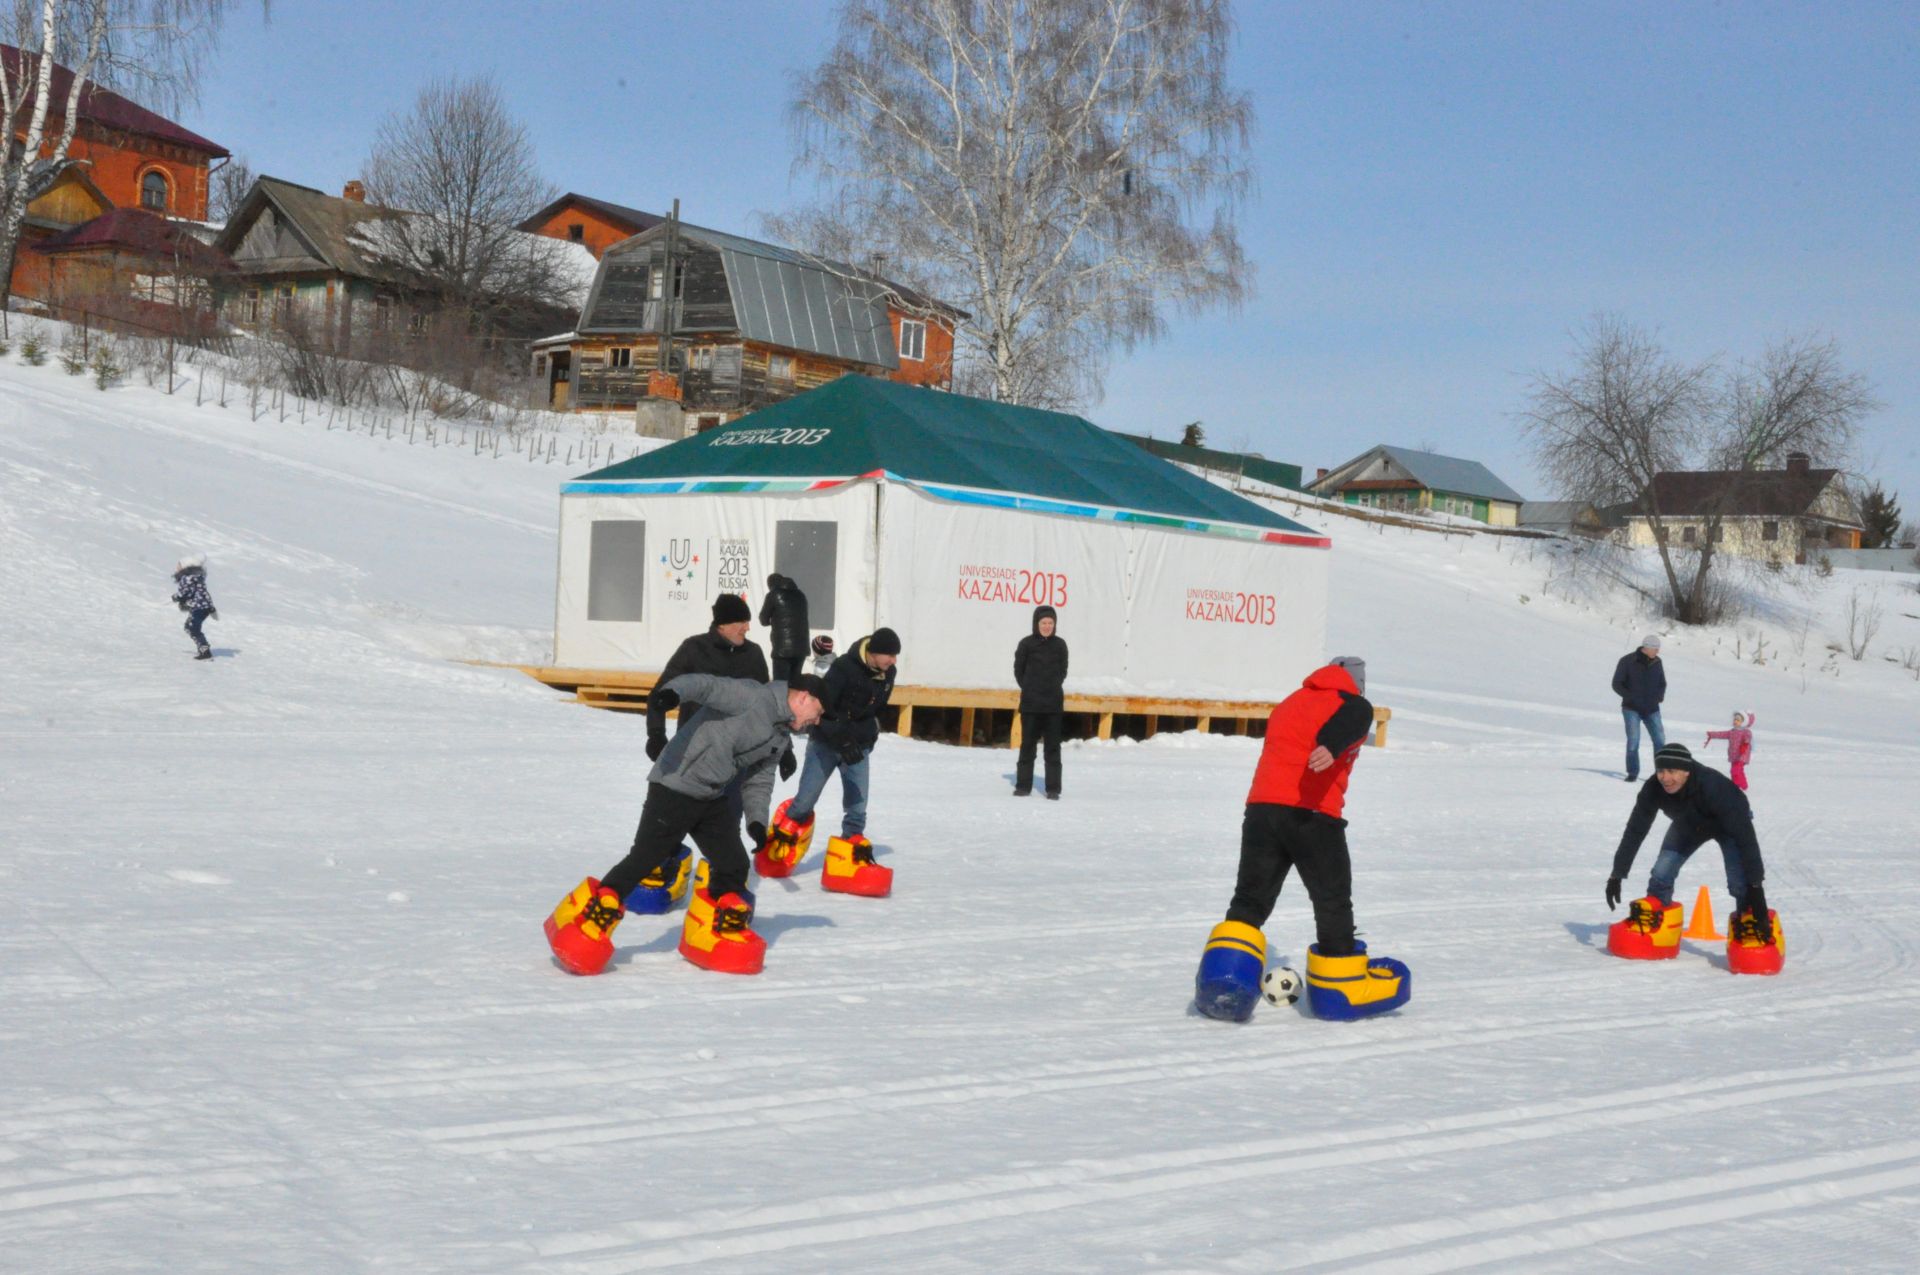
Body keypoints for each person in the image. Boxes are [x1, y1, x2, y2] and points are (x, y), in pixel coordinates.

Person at [544, 672, 829, 976]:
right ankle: (592, 914)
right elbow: (704, 685)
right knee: (647, 856)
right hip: (675, 783)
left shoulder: (780, 737)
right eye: (819, 713)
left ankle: (714, 929)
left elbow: (760, 780)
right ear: (804, 698)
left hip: (711, 796)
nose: (818, 721)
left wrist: (757, 821)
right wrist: (672, 695)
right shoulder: (750, 696)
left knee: (733, 864)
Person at [1194, 656, 1410, 1022]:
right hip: (1313, 815)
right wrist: (1330, 744)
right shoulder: (1353, 703)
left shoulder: (1291, 701)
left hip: (1261, 811)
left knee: (1250, 897)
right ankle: (1339, 989)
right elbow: (1354, 719)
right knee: (1332, 899)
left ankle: (1223, 977)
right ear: (1356, 683)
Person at [763, 628, 900, 892]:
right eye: (889, 655)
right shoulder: (843, 668)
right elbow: (823, 710)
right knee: (805, 800)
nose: (893, 661)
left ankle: (849, 858)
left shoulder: (888, 674)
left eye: (895, 656)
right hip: (826, 743)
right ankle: (780, 843)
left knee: (857, 807)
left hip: (858, 747)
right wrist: (842, 739)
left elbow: (876, 708)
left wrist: (866, 735)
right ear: (873, 652)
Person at [1605, 742, 1775, 949]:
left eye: (1671, 771)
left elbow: (1746, 839)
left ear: (1686, 771)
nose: (1665, 778)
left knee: (1740, 881)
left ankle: (1749, 921)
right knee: (1661, 871)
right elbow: (1635, 830)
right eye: (1660, 770)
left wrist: (1756, 889)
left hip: (1729, 825)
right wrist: (1617, 873)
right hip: (1689, 825)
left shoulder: (1715, 788)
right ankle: (1659, 924)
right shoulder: (1653, 789)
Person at [1012, 605, 1068, 799]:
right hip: (1030, 705)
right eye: (1043, 622)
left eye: (1050, 623)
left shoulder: (1060, 645)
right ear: (1036, 624)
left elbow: (1063, 672)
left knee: (1052, 749)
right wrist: (1030, 687)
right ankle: (1023, 785)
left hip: (1053, 705)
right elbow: (1019, 671)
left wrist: (1050, 687)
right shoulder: (1026, 644)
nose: (1047, 626)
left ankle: (1053, 788)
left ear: (1055, 624)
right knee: (1027, 746)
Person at [1611, 635, 1667, 782]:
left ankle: (1661, 774)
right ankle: (1633, 772)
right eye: (1655, 648)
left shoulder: (1657, 662)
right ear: (1647, 648)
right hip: (1631, 708)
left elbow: (1662, 682)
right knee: (1633, 742)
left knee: (1660, 741)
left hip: (1652, 709)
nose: (1658, 651)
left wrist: (1659, 697)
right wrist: (1630, 697)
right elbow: (1617, 683)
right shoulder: (1627, 661)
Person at [759, 572, 811, 684]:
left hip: (782, 649)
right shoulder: (801, 595)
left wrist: (775, 621)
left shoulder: (774, 595)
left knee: (780, 686)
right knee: (795, 685)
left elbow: (763, 619)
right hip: (801, 647)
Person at [170, 556, 218, 660]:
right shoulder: (197, 577)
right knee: (190, 627)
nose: (177, 567)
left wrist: (176, 597)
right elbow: (203, 593)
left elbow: (185, 593)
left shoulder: (187, 578)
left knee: (192, 628)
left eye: (179, 565)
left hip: (199, 607)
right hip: (204, 607)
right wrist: (211, 607)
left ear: (186, 567)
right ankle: (203, 647)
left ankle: (205, 651)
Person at [1704, 711, 1756, 791]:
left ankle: (1735, 787)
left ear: (1743, 722)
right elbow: (1722, 734)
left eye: (1738, 720)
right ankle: (1744, 786)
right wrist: (1712, 734)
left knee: (1735, 771)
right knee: (1737, 772)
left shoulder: (1746, 732)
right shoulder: (1732, 732)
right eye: (1735, 720)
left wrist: (1745, 744)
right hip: (1734, 755)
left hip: (1742, 755)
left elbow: (1748, 738)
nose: (1735, 721)